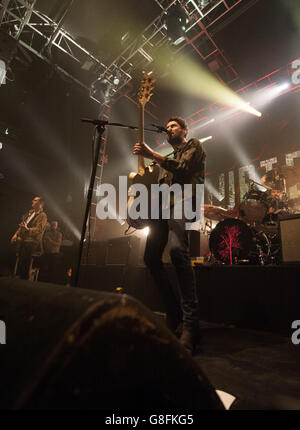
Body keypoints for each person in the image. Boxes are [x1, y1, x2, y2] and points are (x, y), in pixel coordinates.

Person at [133, 116, 206, 353]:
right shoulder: (167, 160)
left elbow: (184, 171)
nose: (169, 128)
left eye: (174, 125)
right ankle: (173, 310)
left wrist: (152, 153)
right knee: (150, 258)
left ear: (184, 130)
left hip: (184, 203)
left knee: (177, 251)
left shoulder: (193, 145)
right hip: (165, 208)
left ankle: (190, 324)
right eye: (168, 126)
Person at [11, 196, 47, 280]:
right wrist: (15, 234)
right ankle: (17, 276)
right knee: (18, 257)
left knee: (25, 260)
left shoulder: (42, 215)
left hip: (32, 241)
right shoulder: (30, 213)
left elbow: (39, 230)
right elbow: (22, 225)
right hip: (23, 240)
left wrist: (28, 229)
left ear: (41, 204)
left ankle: (23, 279)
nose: (32, 201)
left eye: (35, 200)